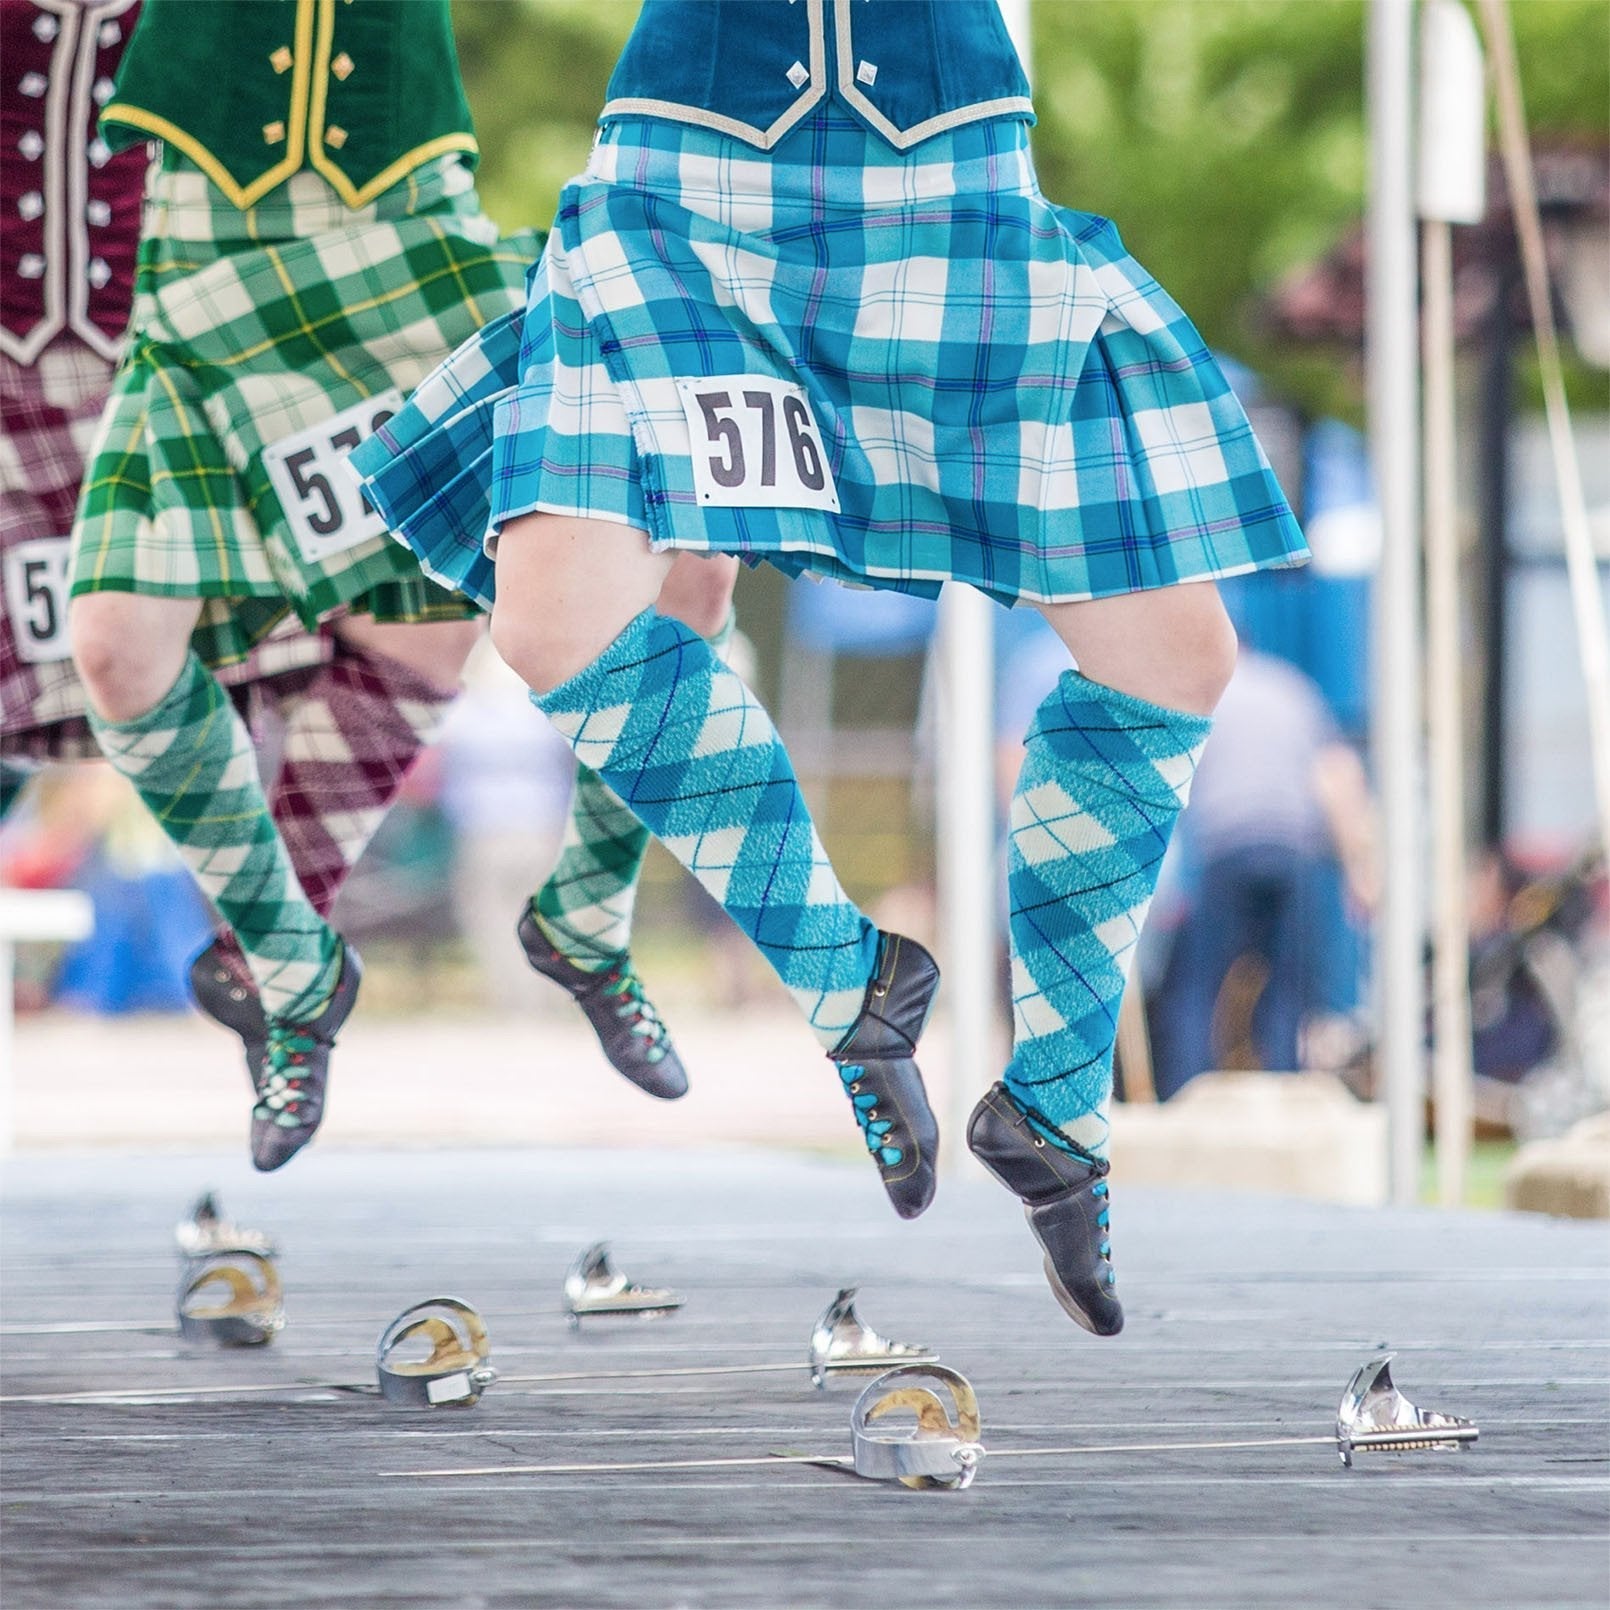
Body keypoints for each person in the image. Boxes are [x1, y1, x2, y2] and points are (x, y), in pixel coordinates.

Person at [356, 0, 1306, 1330]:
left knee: (1172, 654)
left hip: (943, 161)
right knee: (559, 613)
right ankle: (846, 973)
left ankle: (1054, 1104)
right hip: (685, 167)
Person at [1150, 648, 1377, 1098]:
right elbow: (1337, 777)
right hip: (1293, 849)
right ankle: (1284, 1097)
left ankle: (1184, 1095)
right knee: (1288, 992)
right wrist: (1359, 867)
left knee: (1201, 990)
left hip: (1226, 848)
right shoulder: (1293, 690)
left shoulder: (1201, 697)